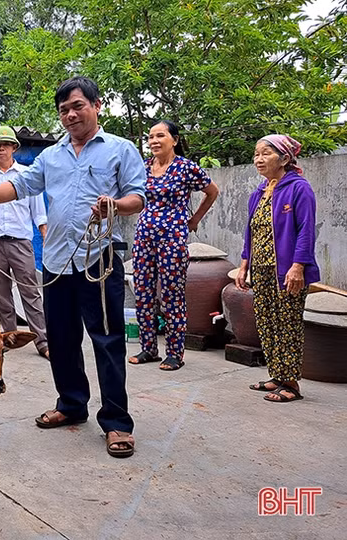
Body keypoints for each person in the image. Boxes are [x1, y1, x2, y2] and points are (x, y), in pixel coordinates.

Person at [0, 76, 146, 458]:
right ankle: (72, 405)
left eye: (77, 106)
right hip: (56, 261)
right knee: (62, 340)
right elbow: (19, 188)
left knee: (107, 342)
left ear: (97, 105)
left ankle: (117, 422)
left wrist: (115, 206)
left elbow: (137, 196)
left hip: (99, 261)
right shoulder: (50, 156)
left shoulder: (120, 150)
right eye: (64, 110)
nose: (70, 115)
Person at [128, 120, 219, 371]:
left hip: (172, 238)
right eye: (150, 137)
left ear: (175, 140)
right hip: (144, 236)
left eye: (160, 136)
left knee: (172, 295)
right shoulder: (144, 167)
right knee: (144, 293)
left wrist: (195, 218)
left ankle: (174, 353)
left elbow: (212, 191)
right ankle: (148, 348)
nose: (154, 141)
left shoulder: (186, 168)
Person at [236, 134, 319, 403]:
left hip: (287, 270)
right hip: (261, 269)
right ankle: (277, 375)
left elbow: (306, 231)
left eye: (266, 153)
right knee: (267, 321)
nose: (258, 159)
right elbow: (250, 232)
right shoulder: (258, 194)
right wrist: (244, 264)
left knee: (288, 324)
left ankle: (291, 383)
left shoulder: (299, 189)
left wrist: (298, 266)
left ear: (284, 158)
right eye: (256, 154)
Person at [0, 126, 49, 358]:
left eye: (5, 144)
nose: (0, 148)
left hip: (20, 244)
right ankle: (9, 337)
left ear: (14, 147)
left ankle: (43, 342)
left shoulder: (27, 176)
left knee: (30, 293)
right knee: (2, 295)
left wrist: (45, 236)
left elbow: (39, 213)